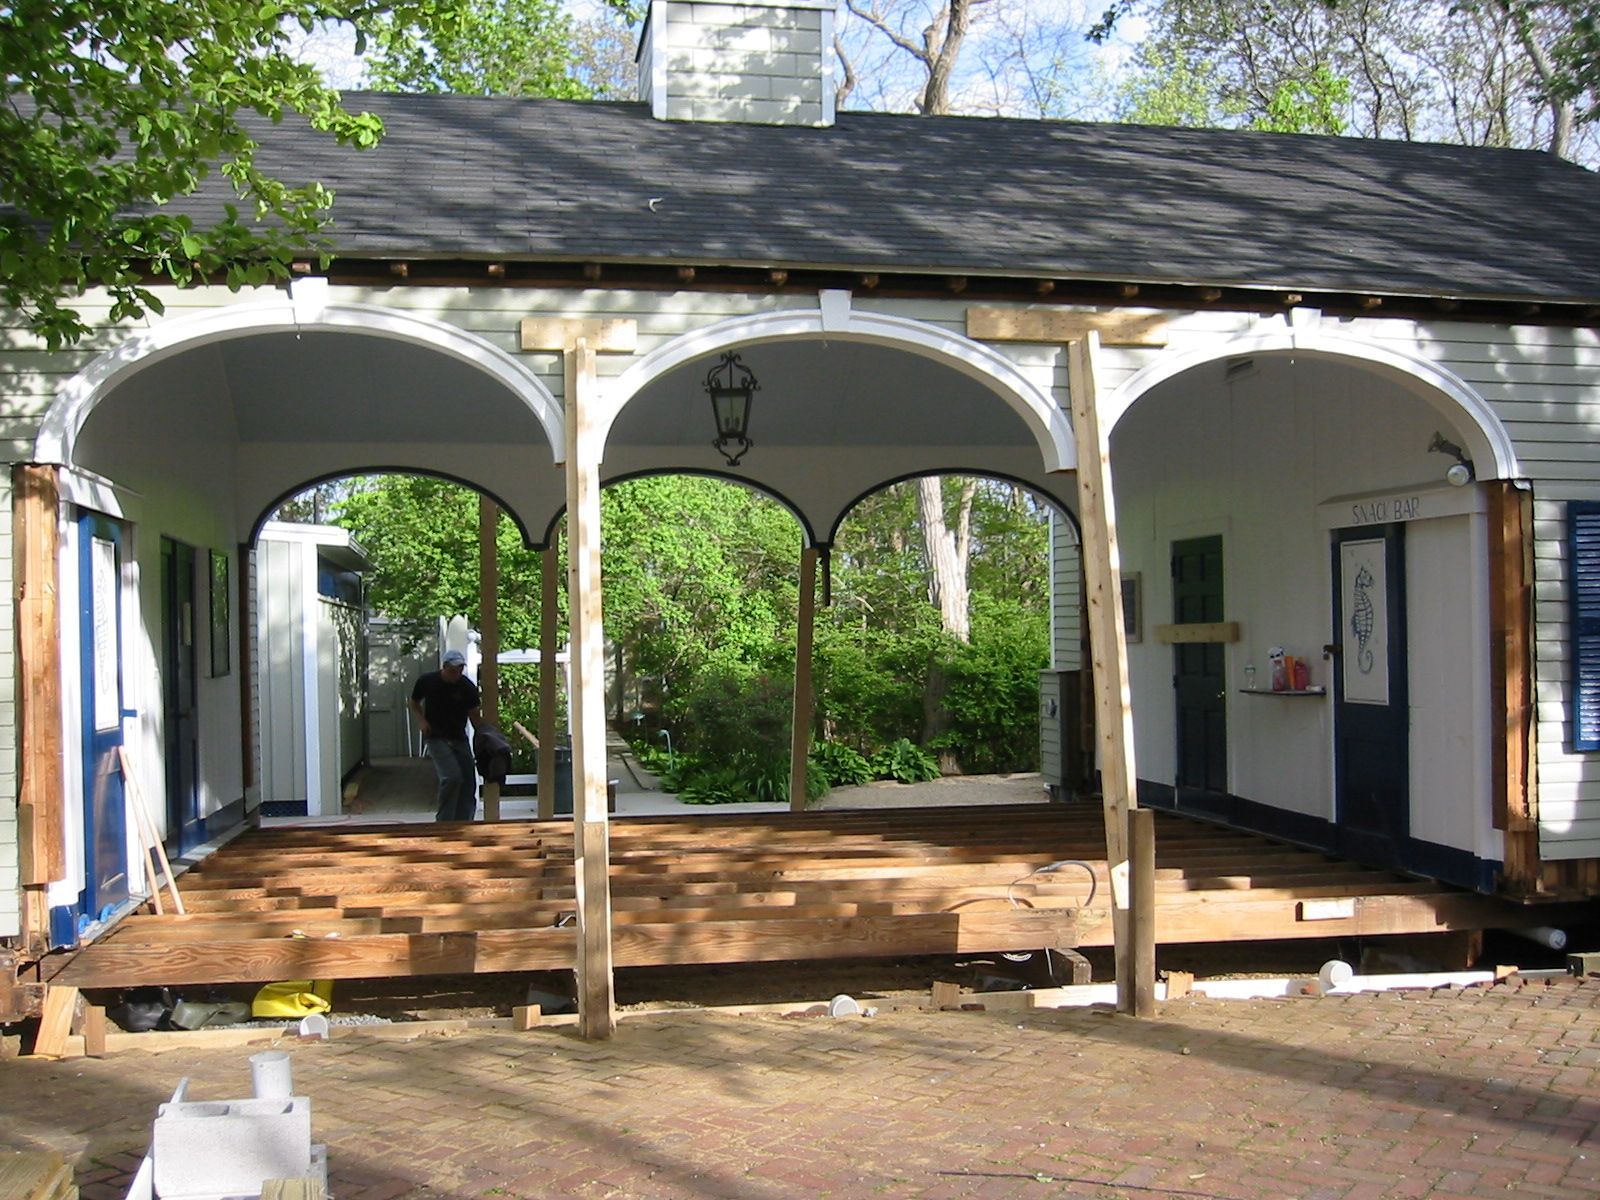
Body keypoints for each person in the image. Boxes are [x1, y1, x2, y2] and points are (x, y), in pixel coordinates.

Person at [410, 649, 482, 821]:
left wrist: (485, 737)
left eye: (460, 669)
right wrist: (421, 720)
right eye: (453, 670)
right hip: (435, 736)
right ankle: (445, 822)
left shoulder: (467, 687)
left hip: (458, 737)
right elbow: (414, 702)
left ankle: (464, 822)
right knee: (452, 777)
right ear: (444, 667)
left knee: (468, 781)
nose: (457, 673)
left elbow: (474, 716)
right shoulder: (428, 681)